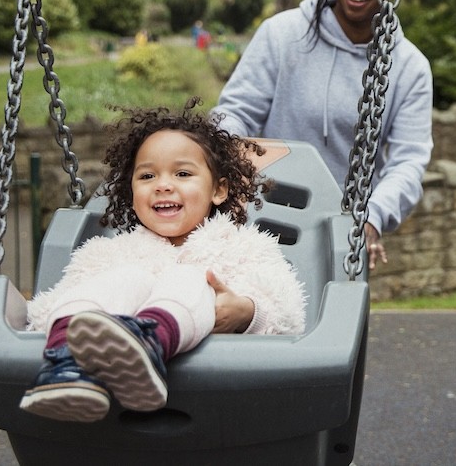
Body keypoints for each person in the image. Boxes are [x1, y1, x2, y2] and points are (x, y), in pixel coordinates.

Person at [19, 97, 307, 423]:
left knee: (189, 278)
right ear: (130, 190)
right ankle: (65, 364)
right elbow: (55, 303)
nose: (163, 185)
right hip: (109, 401)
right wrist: (22, 315)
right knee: (127, 278)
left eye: (182, 173)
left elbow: (288, 312)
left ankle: (147, 343)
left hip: (225, 397)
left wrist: (247, 312)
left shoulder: (245, 247)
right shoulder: (110, 253)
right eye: (147, 177)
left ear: (219, 190)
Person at [213, 0, 433, 270]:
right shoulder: (283, 34)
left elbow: (408, 161)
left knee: (333, 319)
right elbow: (236, 111)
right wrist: (226, 163)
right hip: (261, 211)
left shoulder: (409, 67)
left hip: (341, 227)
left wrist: (371, 221)